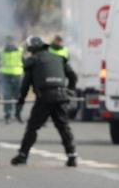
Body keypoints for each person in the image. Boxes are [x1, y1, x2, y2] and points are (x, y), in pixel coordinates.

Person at [11, 36, 77, 167]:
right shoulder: (58, 58)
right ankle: (72, 156)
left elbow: (25, 85)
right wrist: (70, 91)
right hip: (61, 97)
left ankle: (23, 156)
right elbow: (73, 76)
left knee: (32, 128)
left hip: (45, 98)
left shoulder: (33, 61)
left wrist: (20, 104)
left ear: (31, 48)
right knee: (63, 127)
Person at [0, 36, 25, 122]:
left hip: (14, 75)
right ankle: (10, 114)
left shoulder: (19, 51)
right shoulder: (2, 51)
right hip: (8, 75)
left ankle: (15, 113)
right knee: (8, 95)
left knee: (14, 95)